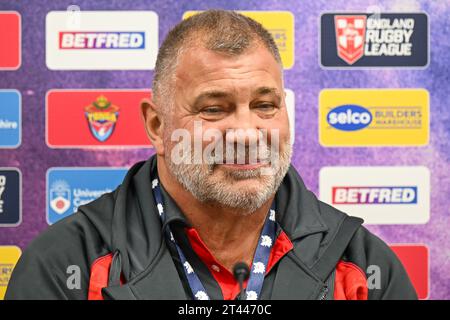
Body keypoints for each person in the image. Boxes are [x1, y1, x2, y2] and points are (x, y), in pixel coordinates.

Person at [5, 10, 417, 300]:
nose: (245, 133)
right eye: (214, 109)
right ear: (157, 126)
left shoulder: (365, 268)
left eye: (265, 105)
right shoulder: (63, 269)